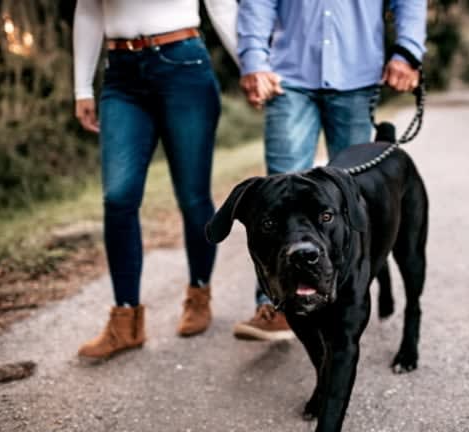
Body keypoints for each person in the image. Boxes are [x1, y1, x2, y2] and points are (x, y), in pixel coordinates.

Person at [232, 0, 427, 341]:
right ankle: (276, 304)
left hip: (356, 75)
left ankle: (341, 299)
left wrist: (408, 51)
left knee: (348, 201)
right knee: (278, 197)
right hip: (286, 77)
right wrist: (253, 59)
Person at [73, 0, 238, 359]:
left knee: (193, 197)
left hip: (183, 64)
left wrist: (251, 68)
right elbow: (87, 9)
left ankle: (199, 293)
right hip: (120, 74)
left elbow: (223, 6)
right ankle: (125, 321)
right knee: (118, 197)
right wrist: (82, 88)